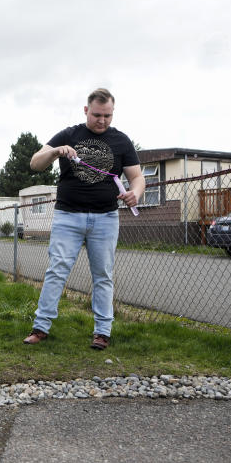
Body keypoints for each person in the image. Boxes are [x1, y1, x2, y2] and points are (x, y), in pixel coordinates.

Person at [23, 88, 145, 350]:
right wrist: (55, 152)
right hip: (68, 216)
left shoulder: (122, 141)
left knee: (103, 275)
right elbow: (35, 163)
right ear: (86, 110)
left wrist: (135, 193)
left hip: (106, 219)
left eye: (108, 116)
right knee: (56, 271)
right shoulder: (69, 134)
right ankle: (40, 327)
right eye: (97, 115)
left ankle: (102, 332)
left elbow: (137, 178)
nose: (102, 121)